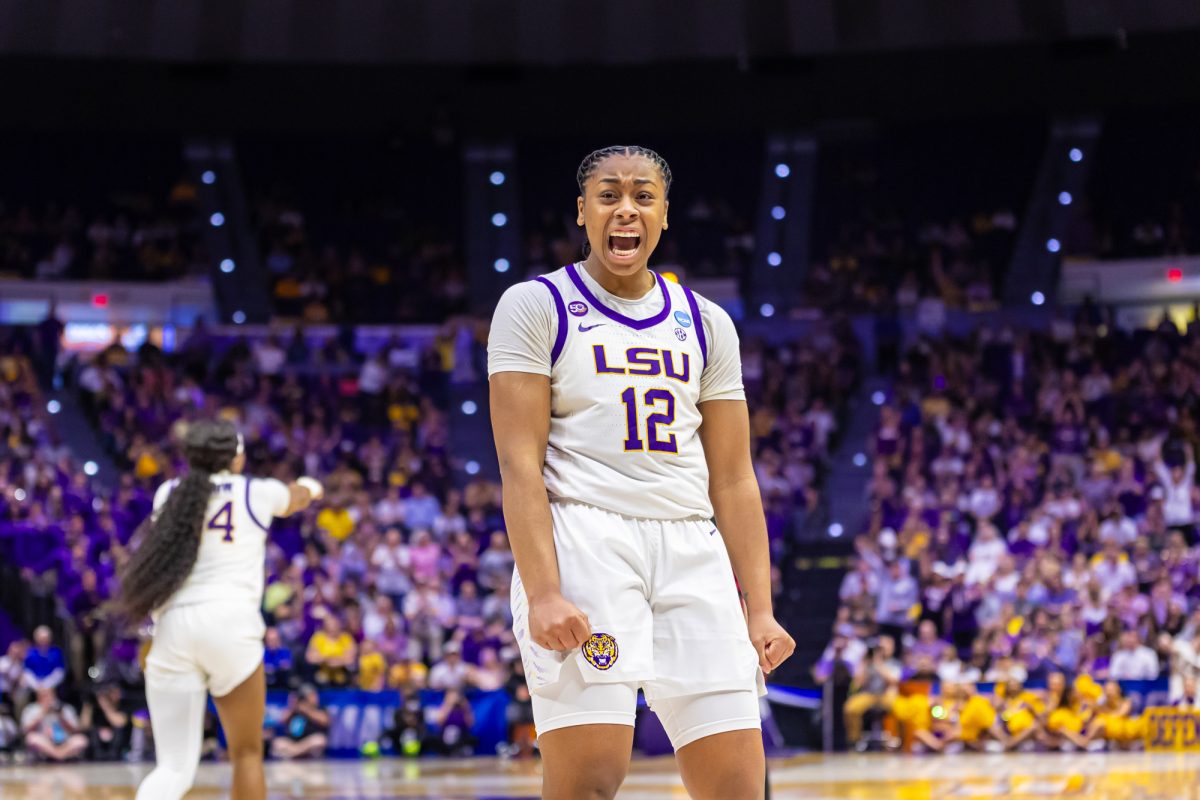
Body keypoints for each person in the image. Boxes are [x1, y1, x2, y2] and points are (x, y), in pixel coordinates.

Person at [489, 145, 794, 799]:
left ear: (663, 214)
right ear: (582, 210)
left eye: (642, 195)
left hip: (692, 544)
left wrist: (760, 609)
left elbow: (735, 478)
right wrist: (543, 591)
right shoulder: (533, 305)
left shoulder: (708, 323)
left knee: (739, 788)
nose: (625, 208)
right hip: (585, 540)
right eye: (608, 194)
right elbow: (519, 466)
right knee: (588, 784)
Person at [117, 420, 322, 800]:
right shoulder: (256, 492)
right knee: (246, 754)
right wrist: (310, 487)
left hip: (174, 624)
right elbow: (295, 498)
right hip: (230, 623)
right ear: (237, 457)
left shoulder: (169, 494)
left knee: (173, 769)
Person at [20, 687, 89, 762]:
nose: (47, 698)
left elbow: (75, 730)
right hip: (44, 743)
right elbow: (26, 730)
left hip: (64, 742)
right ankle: (59, 756)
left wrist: (62, 718)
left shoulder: (64, 708)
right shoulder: (32, 709)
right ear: (38, 697)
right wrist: (42, 714)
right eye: (44, 696)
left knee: (81, 740)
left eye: (49, 695)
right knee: (31, 738)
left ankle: (58, 755)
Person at [269, 685, 330, 760]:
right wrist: (292, 706)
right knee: (278, 743)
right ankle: (297, 753)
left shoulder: (320, 708)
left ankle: (293, 754)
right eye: (309, 696)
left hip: (308, 742)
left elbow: (325, 721)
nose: (312, 698)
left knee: (319, 740)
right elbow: (281, 720)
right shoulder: (295, 709)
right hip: (293, 742)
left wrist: (307, 711)